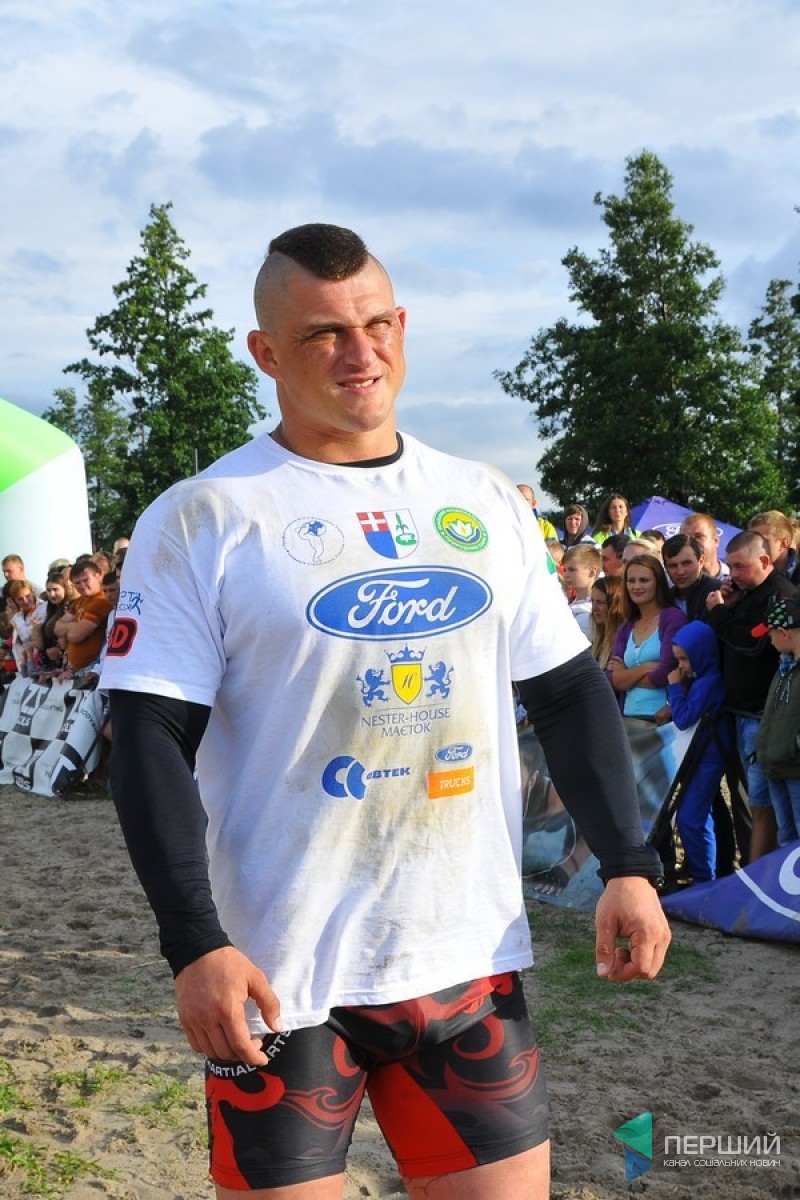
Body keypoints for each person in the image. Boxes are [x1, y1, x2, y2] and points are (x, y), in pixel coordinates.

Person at [102, 223, 669, 1200]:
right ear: (266, 351)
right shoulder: (205, 515)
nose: (359, 354)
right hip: (279, 977)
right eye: (323, 332)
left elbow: (567, 689)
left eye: (375, 325)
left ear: (402, 325)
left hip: (465, 960)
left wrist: (627, 863)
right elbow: (147, 736)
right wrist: (193, 941)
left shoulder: (481, 499)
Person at [705, 530, 797, 861]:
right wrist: (729, 607)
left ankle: (758, 873)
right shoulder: (746, 594)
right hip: (742, 713)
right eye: (730, 567)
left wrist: (719, 614)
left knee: (764, 805)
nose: (734, 575)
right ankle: (755, 870)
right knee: (751, 800)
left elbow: (754, 644)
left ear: (765, 560)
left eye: (740, 567)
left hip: (762, 717)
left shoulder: (781, 594)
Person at [665, 622, 729, 883]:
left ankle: (705, 880)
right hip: (703, 757)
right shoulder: (704, 680)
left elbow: (683, 718)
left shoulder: (707, 683)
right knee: (699, 817)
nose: (680, 666)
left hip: (707, 758)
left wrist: (674, 687)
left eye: (684, 659)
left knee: (691, 818)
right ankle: (705, 876)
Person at [607, 554, 687, 721]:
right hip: (627, 718)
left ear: (658, 583)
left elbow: (666, 674)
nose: (636, 586)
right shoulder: (626, 626)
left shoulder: (673, 618)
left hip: (663, 721)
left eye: (644, 580)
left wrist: (625, 675)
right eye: (631, 581)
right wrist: (647, 667)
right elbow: (612, 678)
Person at [753, 596, 800, 846]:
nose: (769, 640)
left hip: (794, 767)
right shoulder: (784, 668)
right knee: (786, 837)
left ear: (783, 632)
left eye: (770, 634)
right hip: (777, 765)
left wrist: (793, 748)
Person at [54, 559, 114, 676]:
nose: (82, 586)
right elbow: (57, 627)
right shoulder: (80, 600)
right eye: (77, 583)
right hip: (77, 669)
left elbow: (75, 636)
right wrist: (75, 625)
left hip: (93, 668)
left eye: (86, 580)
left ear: (99, 575)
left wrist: (68, 631)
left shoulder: (101, 601)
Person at [662, 533, 719, 621]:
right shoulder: (666, 598)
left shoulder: (716, 592)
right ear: (665, 567)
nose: (680, 572)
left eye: (686, 563)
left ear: (701, 561)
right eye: (673, 565)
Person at [748, 510, 800, 586]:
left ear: (783, 544)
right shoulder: (746, 570)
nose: (755, 545)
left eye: (763, 540)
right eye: (751, 540)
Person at [562, 544, 602, 636]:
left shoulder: (595, 610)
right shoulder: (568, 602)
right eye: (565, 570)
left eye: (572, 570)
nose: (566, 575)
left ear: (591, 572)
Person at [679, 513, 729, 581]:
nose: (692, 542)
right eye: (686, 538)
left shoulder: (734, 578)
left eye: (698, 536)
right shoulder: (674, 580)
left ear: (716, 541)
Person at [590, 575, 624, 669]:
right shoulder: (598, 640)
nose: (594, 608)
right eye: (592, 601)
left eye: (600, 602)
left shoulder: (622, 642)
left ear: (615, 604)